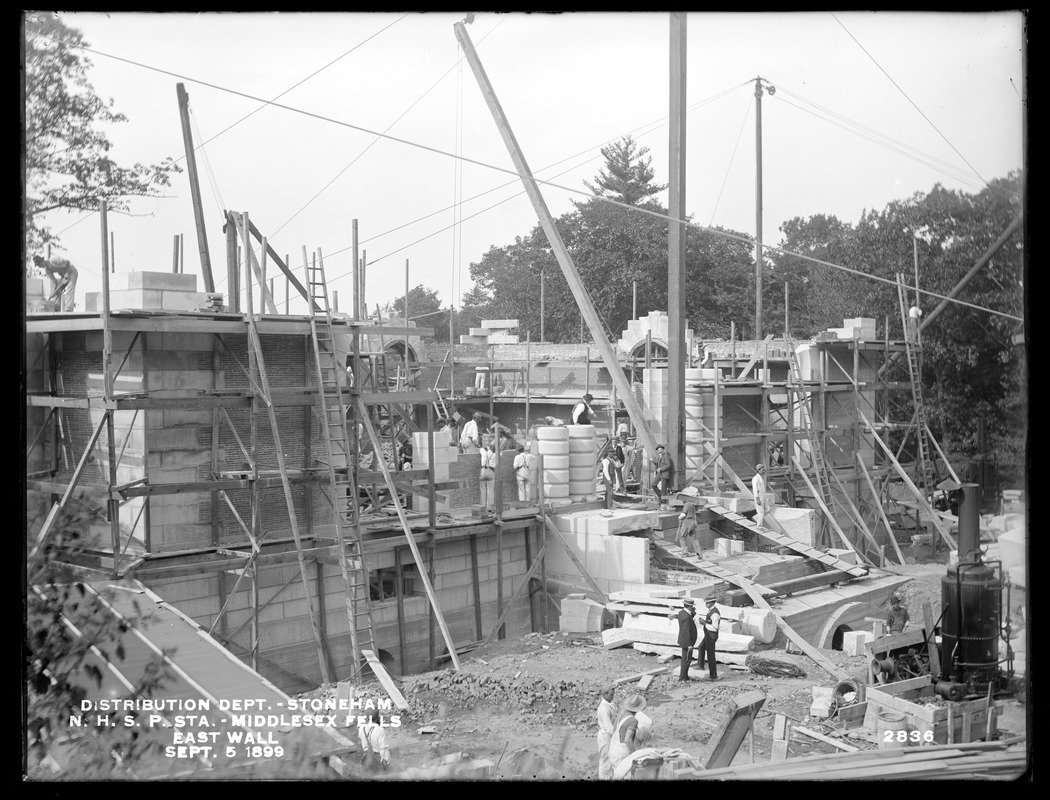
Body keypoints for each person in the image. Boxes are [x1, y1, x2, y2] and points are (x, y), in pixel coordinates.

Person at [607, 693, 646, 777]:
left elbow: (614, 729)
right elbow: (628, 740)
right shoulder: (633, 721)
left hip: (614, 749)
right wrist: (635, 755)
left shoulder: (622, 712)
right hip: (622, 753)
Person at [669, 598, 698, 681]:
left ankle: (684, 676)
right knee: (686, 660)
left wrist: (693, 613)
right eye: (692, 607)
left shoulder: (681, 613)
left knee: (685, 659)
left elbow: (688, 618)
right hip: (687, 642)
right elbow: (687, 632)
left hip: (683, 640)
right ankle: (683, 678)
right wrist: (689, 645)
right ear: (689, 606)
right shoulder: (686, 617)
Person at [595, 687, 616, 780]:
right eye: (611, 695)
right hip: (605, 736)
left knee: (610, 759)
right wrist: (617, 736)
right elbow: (609, 727)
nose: (613, 697)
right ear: (605, 695)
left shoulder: (609, 705)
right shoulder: (604, 708)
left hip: (608, 735)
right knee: (605, 760)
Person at [697, 596, 720, 681]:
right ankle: (700, 665)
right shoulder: (710, 611)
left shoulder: (715, 614)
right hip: (707, 635)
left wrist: (704, 624)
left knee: (711, 656)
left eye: (708, 602)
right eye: (706, 602)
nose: (706, 604)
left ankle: (713, 676)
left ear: (713, 602)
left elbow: (715, 628)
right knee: (701, 647)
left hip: (711, 636)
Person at [478, 437, 497, 513]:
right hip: (491, 471)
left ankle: (483, 505)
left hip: (483, 470)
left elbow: (481, 449)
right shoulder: (496, 454)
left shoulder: (484, 452)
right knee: (490, 490)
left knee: (482, 489)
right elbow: (501, 453)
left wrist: (485, 447)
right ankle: (490, 507)